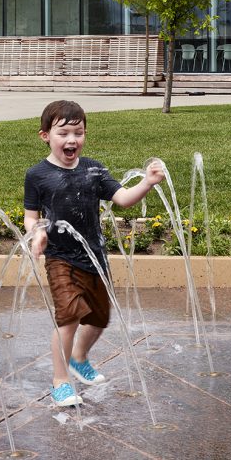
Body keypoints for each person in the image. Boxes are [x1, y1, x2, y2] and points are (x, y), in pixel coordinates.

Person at [23, 99, 165, 407]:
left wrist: (147, 183)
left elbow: (123, 199)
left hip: (94, 257)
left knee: (100, 318)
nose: (72, 140)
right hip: (61, 258)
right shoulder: (37, 175)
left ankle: (79, 358)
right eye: (63, 133)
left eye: (79, 132)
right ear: (45, 135)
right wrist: (38, 234)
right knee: (68, 318)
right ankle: (60, 380)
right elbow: (31, 216)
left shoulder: (94, 170)